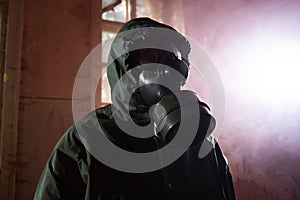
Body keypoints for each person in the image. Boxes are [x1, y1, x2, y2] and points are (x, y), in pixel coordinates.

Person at [34, 17, 235, 200]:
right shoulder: (86, 139)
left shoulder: (201, 142)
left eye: (171, 58)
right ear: (124, 65)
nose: (164, 69)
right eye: (150, 55)